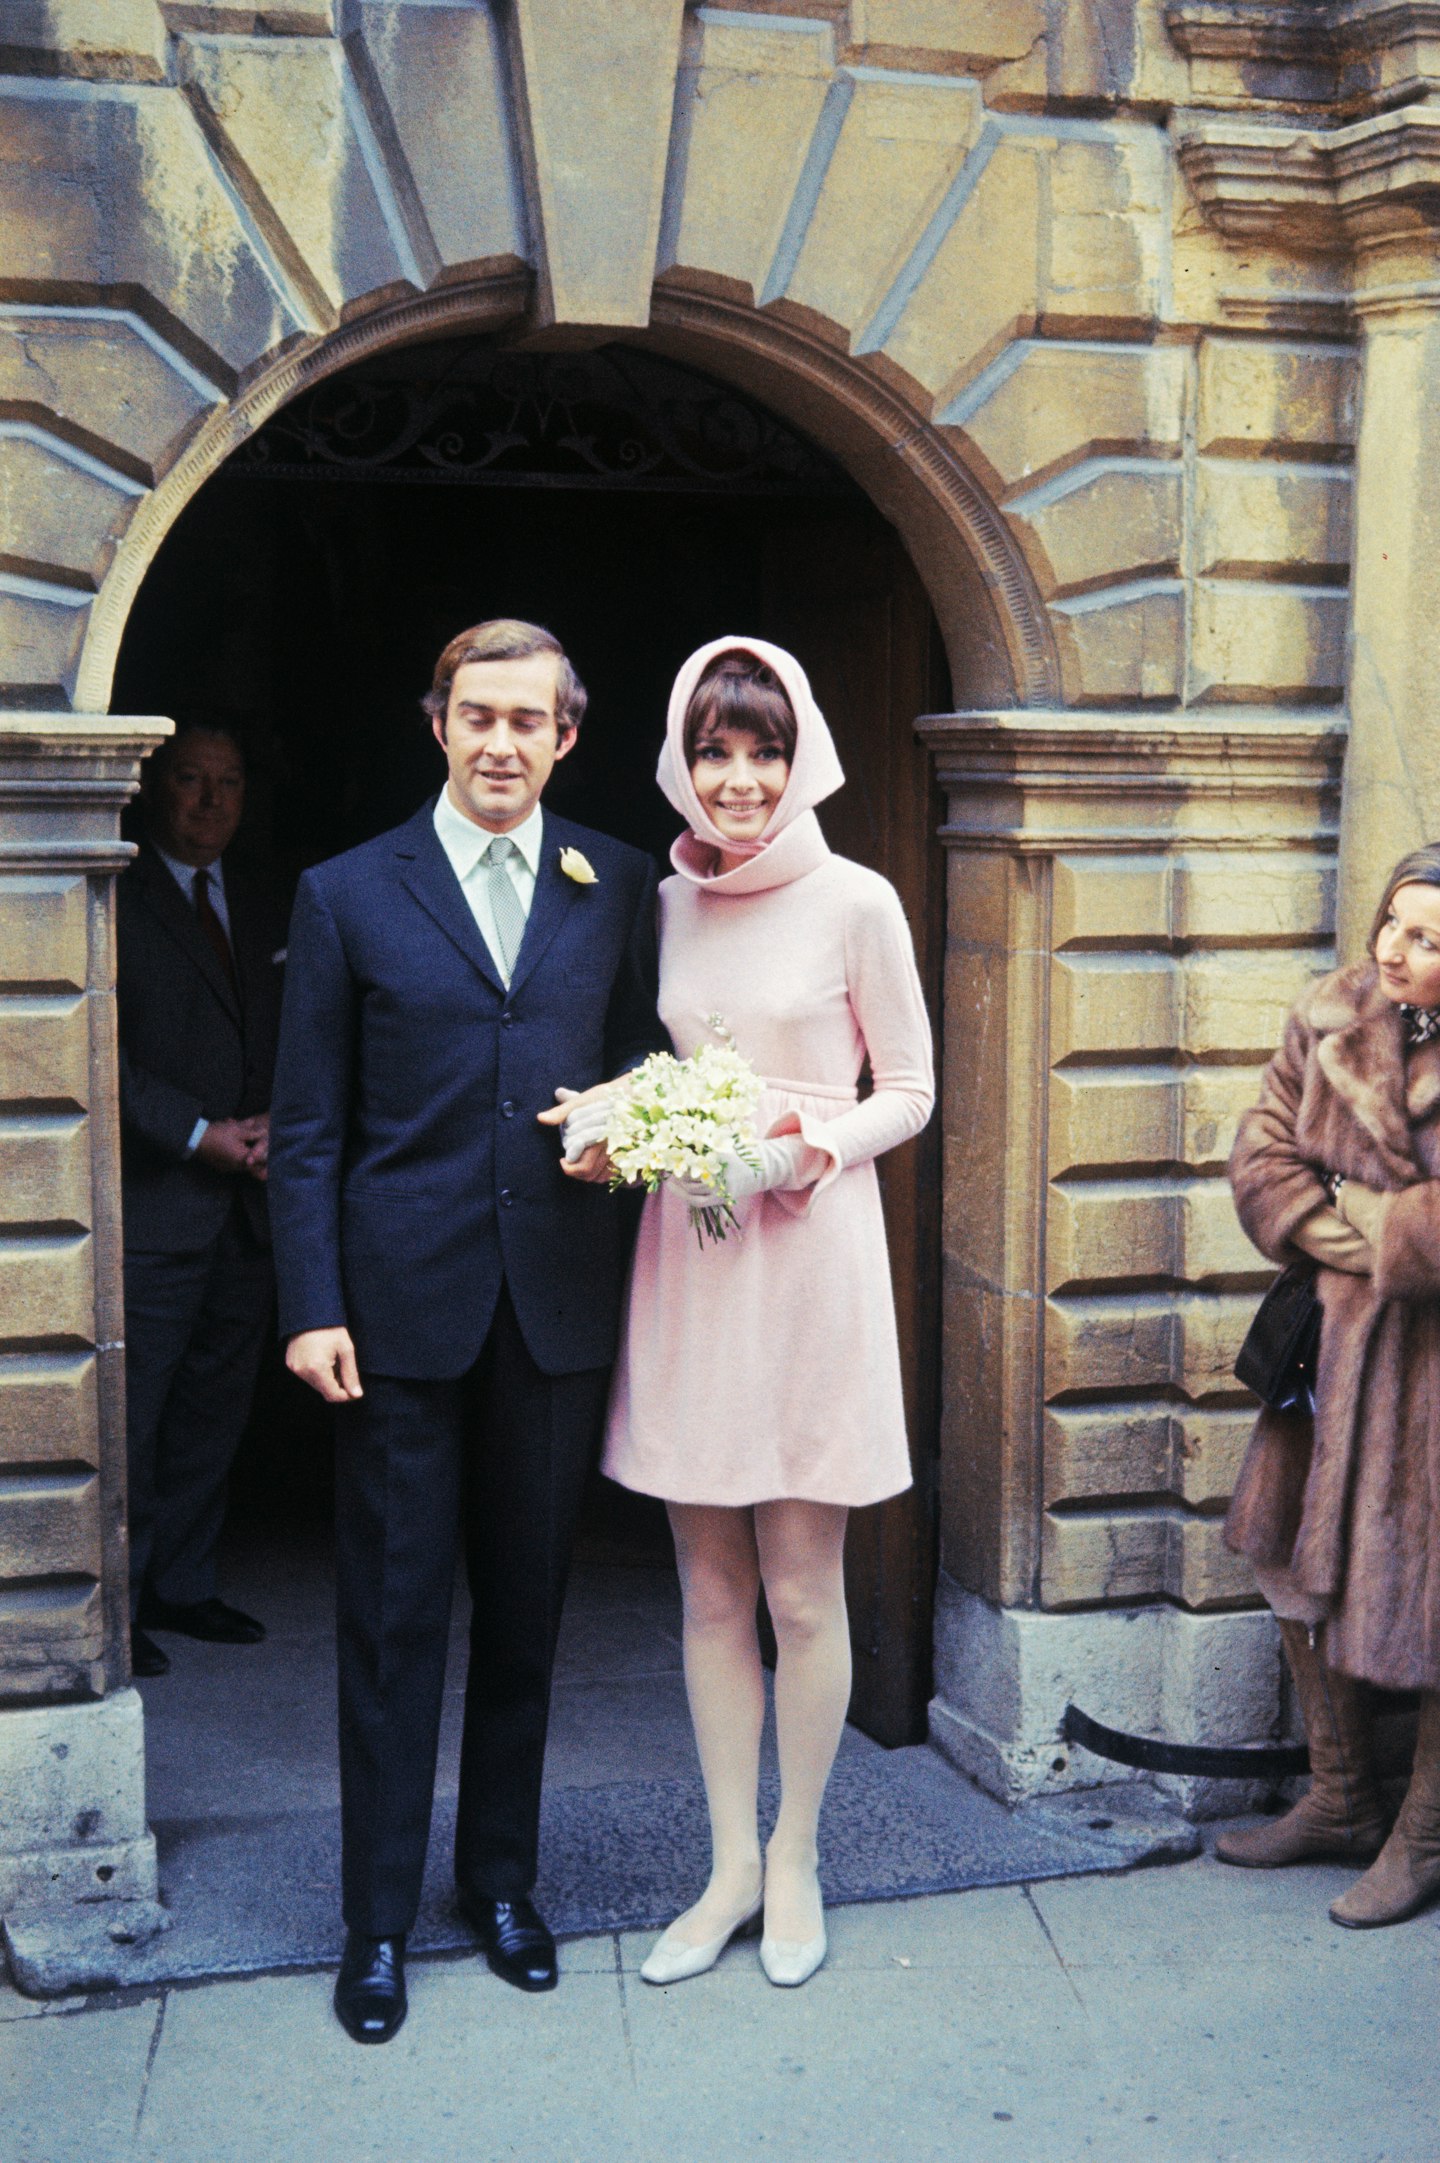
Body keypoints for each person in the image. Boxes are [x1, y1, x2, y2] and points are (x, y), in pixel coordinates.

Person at [267, 619, 665, 2045]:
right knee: (388, 1622)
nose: (503, 741)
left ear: (569, 733)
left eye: (531, 719)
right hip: (393, 1314)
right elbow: (308, 1123)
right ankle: (374, 1921)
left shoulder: (616, 879)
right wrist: (310, 1300)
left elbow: (644, 1057)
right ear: (436, 722)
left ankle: (502, 1883)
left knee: (527, 1612)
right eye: (477, 715)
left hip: (552, 1306)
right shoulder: (346, 890)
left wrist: (629, 1124)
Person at [592, 637, 933, 1988]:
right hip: (690, 1252)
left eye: (765, 748)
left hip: (807, 1253)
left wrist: (794, 1151)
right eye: (717, 749)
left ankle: (797, 1853)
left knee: (801, 1583)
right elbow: (648, 1057)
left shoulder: (859, 899)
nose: (740, 778)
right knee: (710, 1583)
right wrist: (629, 1122)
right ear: (683, 756)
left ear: (805, 758)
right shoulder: (661, 902)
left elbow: (907, 1089)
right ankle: (727, 1858)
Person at [1221, 843, 1440, 1929]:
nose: (1398, 952)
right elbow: (1260, 1151)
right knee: (1290, 1564)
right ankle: (1344, 1796)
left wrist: (1388, 1226)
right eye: (1394, 925)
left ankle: (1424, 1833)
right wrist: (1349, 1233)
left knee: (1433, 1597)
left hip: (1427, 1372)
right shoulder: (1331, 1015)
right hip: (1327, 1347)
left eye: (1431, 939)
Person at [117, 722, 283, 1680]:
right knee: (133, 1419)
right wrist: (197, 1134)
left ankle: (182, 1581)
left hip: (250, 1207)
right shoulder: (115, 891)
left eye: (228, 781)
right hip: (157, 1203)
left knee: (214, 1410)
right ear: (152, 787)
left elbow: (311, 1027)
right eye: (191, 780)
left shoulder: (266, 901)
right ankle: (121, 1599)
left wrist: (272, 1125)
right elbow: (93, 1046)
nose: (211, 800)